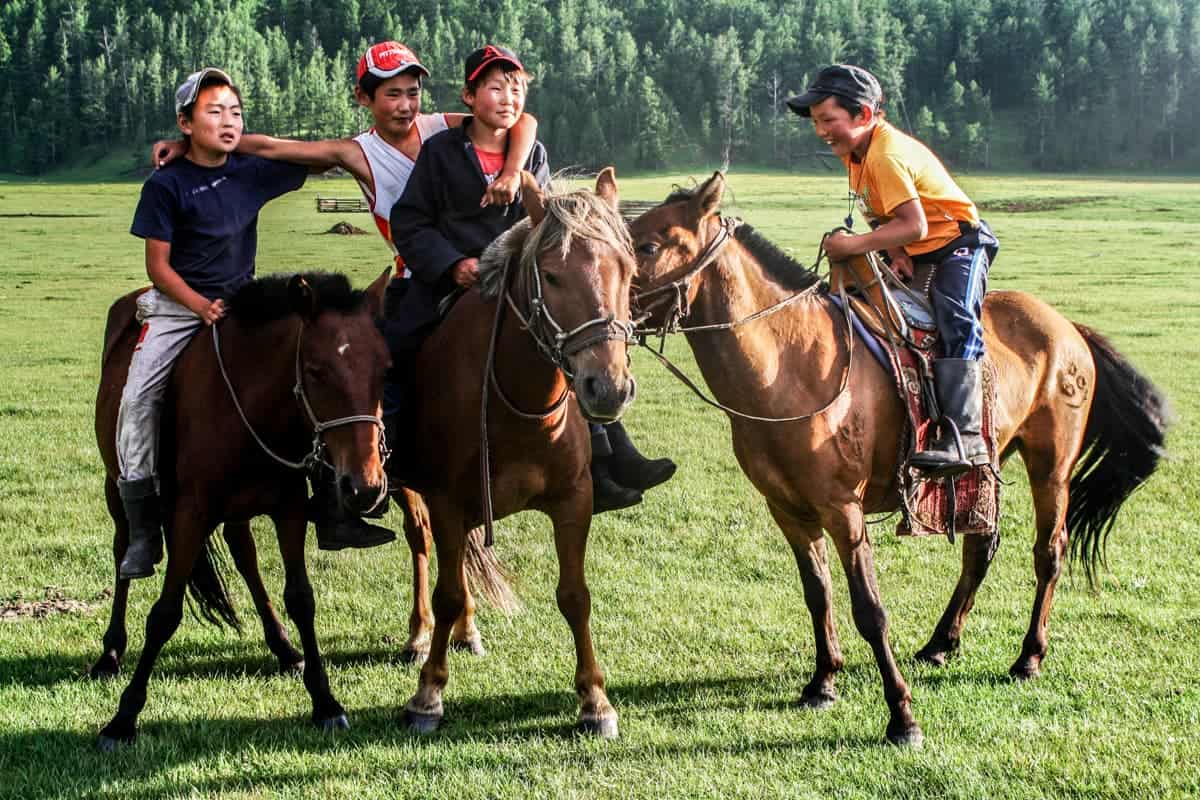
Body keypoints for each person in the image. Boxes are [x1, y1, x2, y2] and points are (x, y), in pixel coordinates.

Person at [152, 42, 541, 549]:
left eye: (413, 93)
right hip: (415, 276)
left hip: (487, 267)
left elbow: (519, 118)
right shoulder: (355, 152)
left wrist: (512, 171)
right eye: (392, 95)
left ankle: (598, 450)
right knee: (370, 372)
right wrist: (195, 145)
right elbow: (270, 147)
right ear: (364, 98)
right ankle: (351, 495)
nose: (406, 106)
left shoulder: (441, 127)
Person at [390, 44, 675, 513]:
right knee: (396, 345)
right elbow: (411, 221)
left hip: (518, 279)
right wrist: (449, 264)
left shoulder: (533, 153)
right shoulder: (441, 152)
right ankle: (397, 451)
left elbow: (544, 223)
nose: (508, 97)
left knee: (574, 341)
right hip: (451, 280)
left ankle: (606, 456)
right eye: (496, 87)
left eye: (517, 88)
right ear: (468, 95)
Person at [118, 67, 316, 579]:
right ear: (185, 122)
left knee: (313, 363)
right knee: (138, 396)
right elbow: (157, 268)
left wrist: (221, 139)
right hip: (181, 308)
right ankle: (142, 523)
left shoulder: (249, 170)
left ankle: (332, 495)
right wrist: (200, 305)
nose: (228, 121)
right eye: (213, 112)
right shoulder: (166, 186)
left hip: (242, 303)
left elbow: (301, 156)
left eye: (235, 111)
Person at [786, 64, 999, 478]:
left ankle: (966, 435)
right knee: (868, 302)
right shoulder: (856, 154)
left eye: (829, 120)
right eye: (816, 123)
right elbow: (886, 215)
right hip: (916, 246)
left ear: (863, 115)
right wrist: (896, 250)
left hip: (959, 244)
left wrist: (853, 246)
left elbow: (917, 223)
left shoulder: (886, 155)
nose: (821, 131)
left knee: (954, 311)